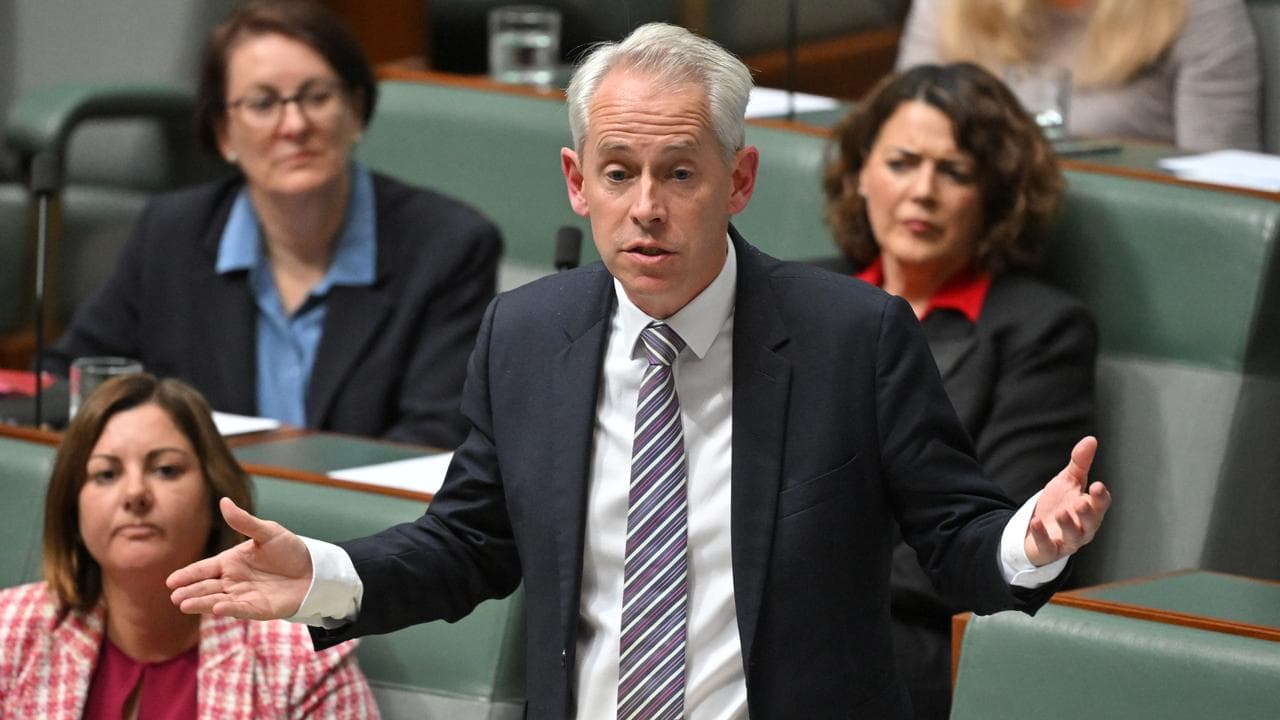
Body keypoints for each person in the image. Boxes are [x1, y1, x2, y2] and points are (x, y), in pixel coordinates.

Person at [167, 23, 1111, 719]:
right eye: (619, 174)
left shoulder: (850, 338)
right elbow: (469, 544)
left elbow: (953, 541)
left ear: (738, 181)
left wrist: (1033, 538)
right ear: (578, 183)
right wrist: (324, 573)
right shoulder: (527, 335)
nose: (646, 208)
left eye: (680, 174)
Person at [50, 0, 501, 448]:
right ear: (224, 131)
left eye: (317, 97)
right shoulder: (171, 233)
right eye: (263, 103)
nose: (294, 124)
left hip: (355, 517)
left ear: (356, 111)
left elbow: (434, 437)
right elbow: (71, 379)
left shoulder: (448, 246)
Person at [821, 61, 1098, 719]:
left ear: (996, 198)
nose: (921, 191)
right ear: (861, 172)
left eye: (955, 172)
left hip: (905, 640)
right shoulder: (794, 297)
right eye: (901, 162)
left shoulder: (1038, 330)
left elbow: (991, 527)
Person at [0, 373, 378, 718]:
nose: (135, 494)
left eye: (165, 469)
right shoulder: (10, 632)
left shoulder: (300, 661)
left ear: (214, 494)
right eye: (106, 474)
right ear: (71, 507)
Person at [896, 0, 1261, 152]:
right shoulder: (947, 6)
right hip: (959, 241)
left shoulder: (1200, 10)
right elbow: (901, 134)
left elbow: (1222, 187)